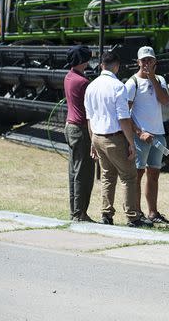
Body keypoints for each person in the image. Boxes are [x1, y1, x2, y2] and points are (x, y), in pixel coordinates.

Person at [84, 50, 151, 228]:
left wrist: (92, 141)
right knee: (128, 177)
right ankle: (132, 216)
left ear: (101, 65)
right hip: (114, 137)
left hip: (98, 136)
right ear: (117, 66)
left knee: (107, 176)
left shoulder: (91, 86)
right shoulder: (117, 87)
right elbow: (123, 118)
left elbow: (89, 118)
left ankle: (106, 214)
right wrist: (131, 143)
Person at [125, 46, 169, 225]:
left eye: (149, 60)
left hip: (158, 134)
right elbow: (124, 113)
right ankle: (137, 213)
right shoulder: (132, 83)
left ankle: (153, 212)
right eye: (143, 60)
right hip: (140, 136)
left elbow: (165, 101)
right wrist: (139, 132)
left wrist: (152, 78)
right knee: (137, 175)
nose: (146, 63)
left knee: (154, 174)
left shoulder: (159, 79)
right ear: (138, 62)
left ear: (155, 62)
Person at [64, 45, 95, 222]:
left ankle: (75, 210)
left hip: (70, 126)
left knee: (74, 171)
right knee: (84, 172)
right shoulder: (83, 82)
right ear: (84, 61)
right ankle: (80, 212)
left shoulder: (69, 77)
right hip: (80, 129)